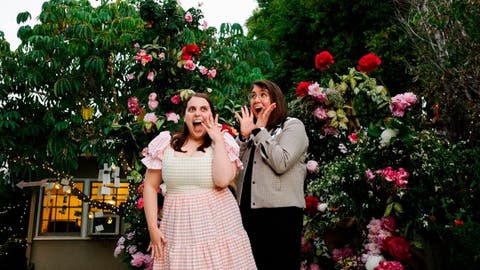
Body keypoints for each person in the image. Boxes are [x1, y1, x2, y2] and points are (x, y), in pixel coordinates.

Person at [142, 93, 257, 269]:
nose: (197, 114)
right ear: (185, 116)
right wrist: (152, 229)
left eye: (204, 109)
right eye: (192, 109)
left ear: (211, 115)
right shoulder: (166, 144)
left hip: (219, 230)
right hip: (179, 232)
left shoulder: (223, 142)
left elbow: (222, 180)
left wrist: (217, 140)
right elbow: (150, 187)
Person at [234, 80, 309, 270]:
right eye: (253, 95)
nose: (256, 99)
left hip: (281, 216)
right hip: (248, 215)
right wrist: (244, 138)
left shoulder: (292, 126)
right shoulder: (251, 134)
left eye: (263, 95)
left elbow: (281, 162)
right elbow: (234, 169)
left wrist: (259, 131)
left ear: (275, 100)